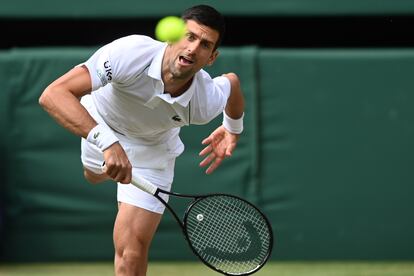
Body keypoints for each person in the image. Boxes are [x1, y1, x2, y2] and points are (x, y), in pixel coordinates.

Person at [39, 4, 245, 276]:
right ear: (173, 37)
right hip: (99, 124)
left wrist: (232, 128)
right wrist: (108, 143)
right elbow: (53, 94)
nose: (193, 48)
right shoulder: (131, 53)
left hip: (152, 152)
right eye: (189, 36)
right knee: (93, 174)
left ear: (211, 58)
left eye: (204, 45)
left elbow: (231, 83)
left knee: (131, 252)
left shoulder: (204, 102)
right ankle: (98, 169)